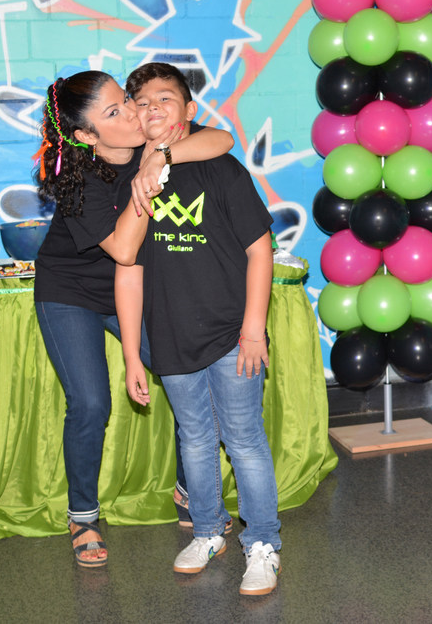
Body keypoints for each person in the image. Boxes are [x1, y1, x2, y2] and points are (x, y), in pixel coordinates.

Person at [33, 70, 234, 568]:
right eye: (114, 112)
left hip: (138, 290)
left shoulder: (153, 141)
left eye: (125, 99)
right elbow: (124, 249)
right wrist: (149, 179)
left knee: (187, 372)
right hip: (72, 293)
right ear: (86, 136)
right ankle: (82, 515)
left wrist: (161, 156)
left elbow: (222, 139)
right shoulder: (76, 182)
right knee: (90, 403)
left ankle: (190, 490)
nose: (132, 113)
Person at [116, 62, 282, 595]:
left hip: (232, 335)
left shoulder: (221, 168)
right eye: (143, 102)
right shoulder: (132, 181)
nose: (153, 108)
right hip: (171, 337)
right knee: (194, 439)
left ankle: (263, 543)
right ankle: (208, 531)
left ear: (189, 110)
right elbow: (130, 269)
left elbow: (260, 251)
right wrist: (134, 353)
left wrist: (253, 330)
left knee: (244, 439)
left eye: (165, 98)